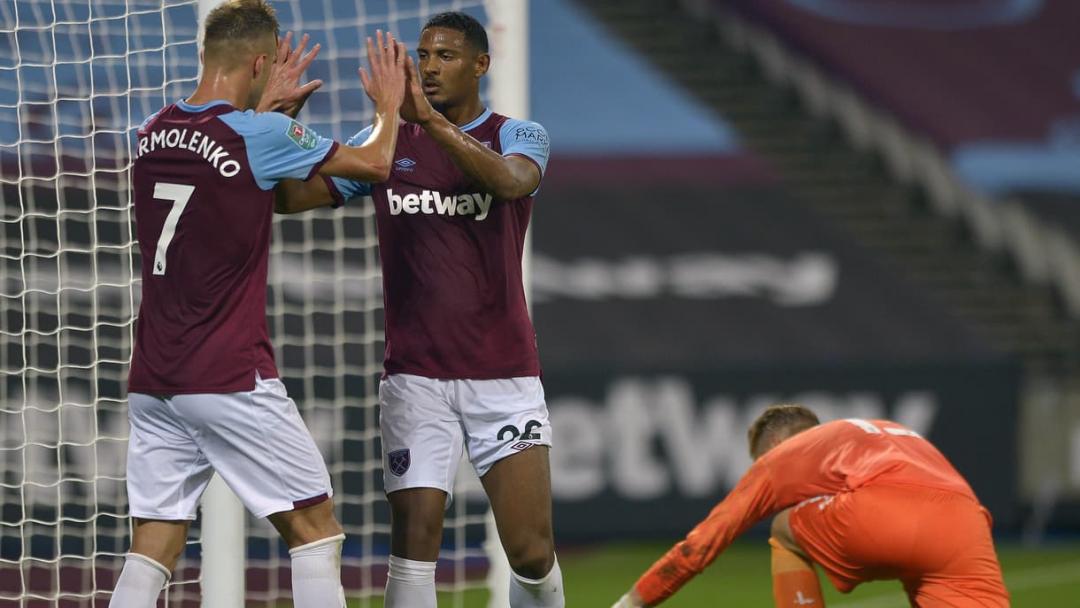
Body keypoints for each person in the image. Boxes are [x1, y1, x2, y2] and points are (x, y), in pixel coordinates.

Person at [110, 1, 407, 605]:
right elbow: (376, 162)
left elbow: (252, 193)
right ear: (261, 61)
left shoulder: (150, 132)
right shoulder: (260, 135)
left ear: (204, 55)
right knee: (314, 530)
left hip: (155, 378)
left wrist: (270, 115)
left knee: (153, 544)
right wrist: (391, 107)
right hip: (227, 375)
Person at [273, 10, 561, 608]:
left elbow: (510, 183)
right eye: (423, 55)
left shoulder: (519, 134)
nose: (429, 67)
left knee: (531, 553)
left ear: (481, 65)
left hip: (502, 373)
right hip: (415, 376)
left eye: (446, 56)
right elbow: (288, 198)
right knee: (414, 542)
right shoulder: (383, 148)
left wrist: (428, 123)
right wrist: (279, 123)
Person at [612, 404, 1009, 608]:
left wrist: (632, 601)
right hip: (964, 525)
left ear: (771, 448)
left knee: (784, 530)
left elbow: (700, 546)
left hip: (880, 517)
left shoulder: (782, 458)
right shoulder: (881, 430)